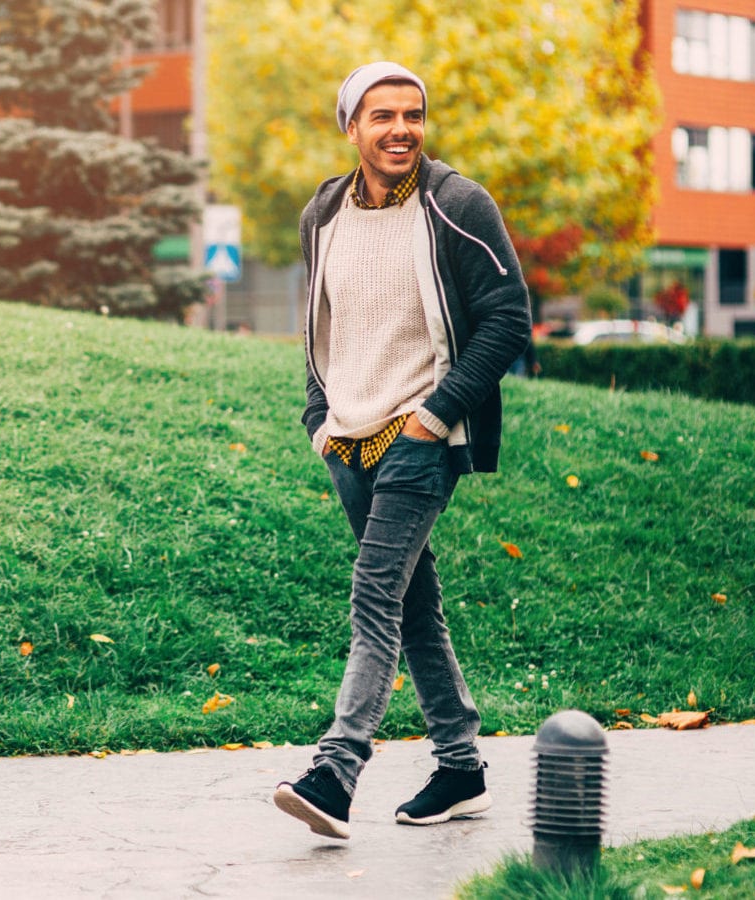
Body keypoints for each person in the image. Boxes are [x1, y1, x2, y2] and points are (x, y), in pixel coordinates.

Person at [271, 62, 532, 840]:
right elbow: (322, 320)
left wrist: (436, 413)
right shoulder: (324, 211)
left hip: (423, 435)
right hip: (347, 440)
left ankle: (336, 770)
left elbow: (508, 318)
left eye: (413, 115)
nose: (401, 130)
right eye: (382, 116)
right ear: (350, 126)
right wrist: (318, 413)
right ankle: (460, 765)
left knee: (375, 595)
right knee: (415, 608)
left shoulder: (456, 205)